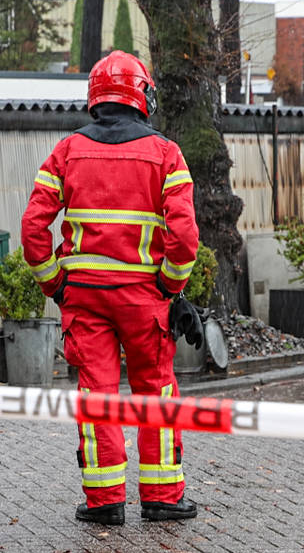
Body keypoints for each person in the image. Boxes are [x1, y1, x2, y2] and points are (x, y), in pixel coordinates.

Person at [20, 51, 202, 526]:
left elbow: (33, 229)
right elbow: (184, 237)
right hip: (145, 300)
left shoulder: (67, 151)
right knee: (155, 391)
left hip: (84, 298)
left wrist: (55, 286)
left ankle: (105, 503)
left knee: (96, 393)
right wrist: (170, 286)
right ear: (142, 95)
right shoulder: (166, 153)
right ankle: (162, 498)